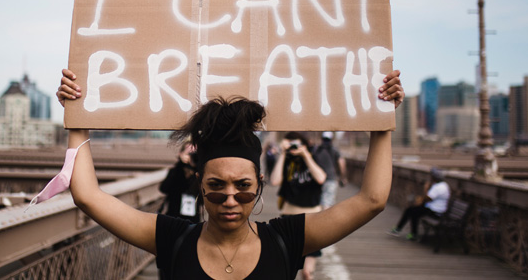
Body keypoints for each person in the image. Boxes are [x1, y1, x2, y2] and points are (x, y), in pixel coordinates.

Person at [56, 68, 403, 279]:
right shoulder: (172, 238)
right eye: (216, 187)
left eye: (244, 187)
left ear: (261, 185)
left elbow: (372, 200)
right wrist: (77, 117)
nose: (231, 199)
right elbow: (87, 196)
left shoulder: (287, 239)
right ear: (200, 186)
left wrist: (381, 121)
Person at [269, 132, 325, 280]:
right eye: (290, 143)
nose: (294, 147)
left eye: (296, 144)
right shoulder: (286, 160)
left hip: (313, 218)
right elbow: (274, 181)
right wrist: (282, 153)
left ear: (305, 144)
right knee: (287, 271)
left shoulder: (314, 156)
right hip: (289, 218)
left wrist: (305, 155)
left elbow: (321, 178)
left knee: (307, 273)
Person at [389, 167, 450, 241]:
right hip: (433, 208)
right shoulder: (442, 185)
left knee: (412, 212)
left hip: (435, 211)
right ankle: (402, 230)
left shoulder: (439, 187)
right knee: (411, 210)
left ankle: (408, 232)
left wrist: (426, 188)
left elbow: (428, 198)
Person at [159, 141, 201, 222]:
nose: (191, 157)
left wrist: (196, 168)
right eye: (189, 154)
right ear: (180, 154)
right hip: (174, 216)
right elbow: (163, 188)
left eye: (194, 154)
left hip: (193, 218)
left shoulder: (198, 174)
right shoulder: (175, 171)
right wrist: (180, 165)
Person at [316, 131, 345, 210]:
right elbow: (341, 163)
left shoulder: (317, 150)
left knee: (319, 201)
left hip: (318, 179)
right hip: (331, 178)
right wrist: (342, 177)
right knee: (328, 201)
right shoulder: (335, 150)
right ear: (331, 139)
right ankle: (326, 220)